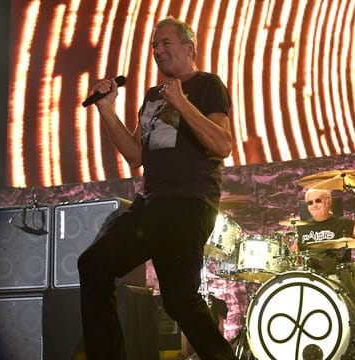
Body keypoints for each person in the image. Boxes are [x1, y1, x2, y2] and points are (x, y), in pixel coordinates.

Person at [77, 17, 237, 359]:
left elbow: (222, 145)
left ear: (188, 47)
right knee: (93, 264)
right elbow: (135, 155)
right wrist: (106, 109)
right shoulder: (153, 96)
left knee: (179, 301)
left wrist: (182, 103)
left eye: (166, 43)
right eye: (154, 46)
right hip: (153, 203)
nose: (158, 50)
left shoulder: (208, 84)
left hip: (189, 203)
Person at [296, 188, 355, 274]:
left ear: (328, 202)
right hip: (310, 280)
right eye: (310, 203)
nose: (314, 205)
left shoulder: (344, 223)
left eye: (318, 201)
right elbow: (294, 258)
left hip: (338, 279)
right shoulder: (301, 227)